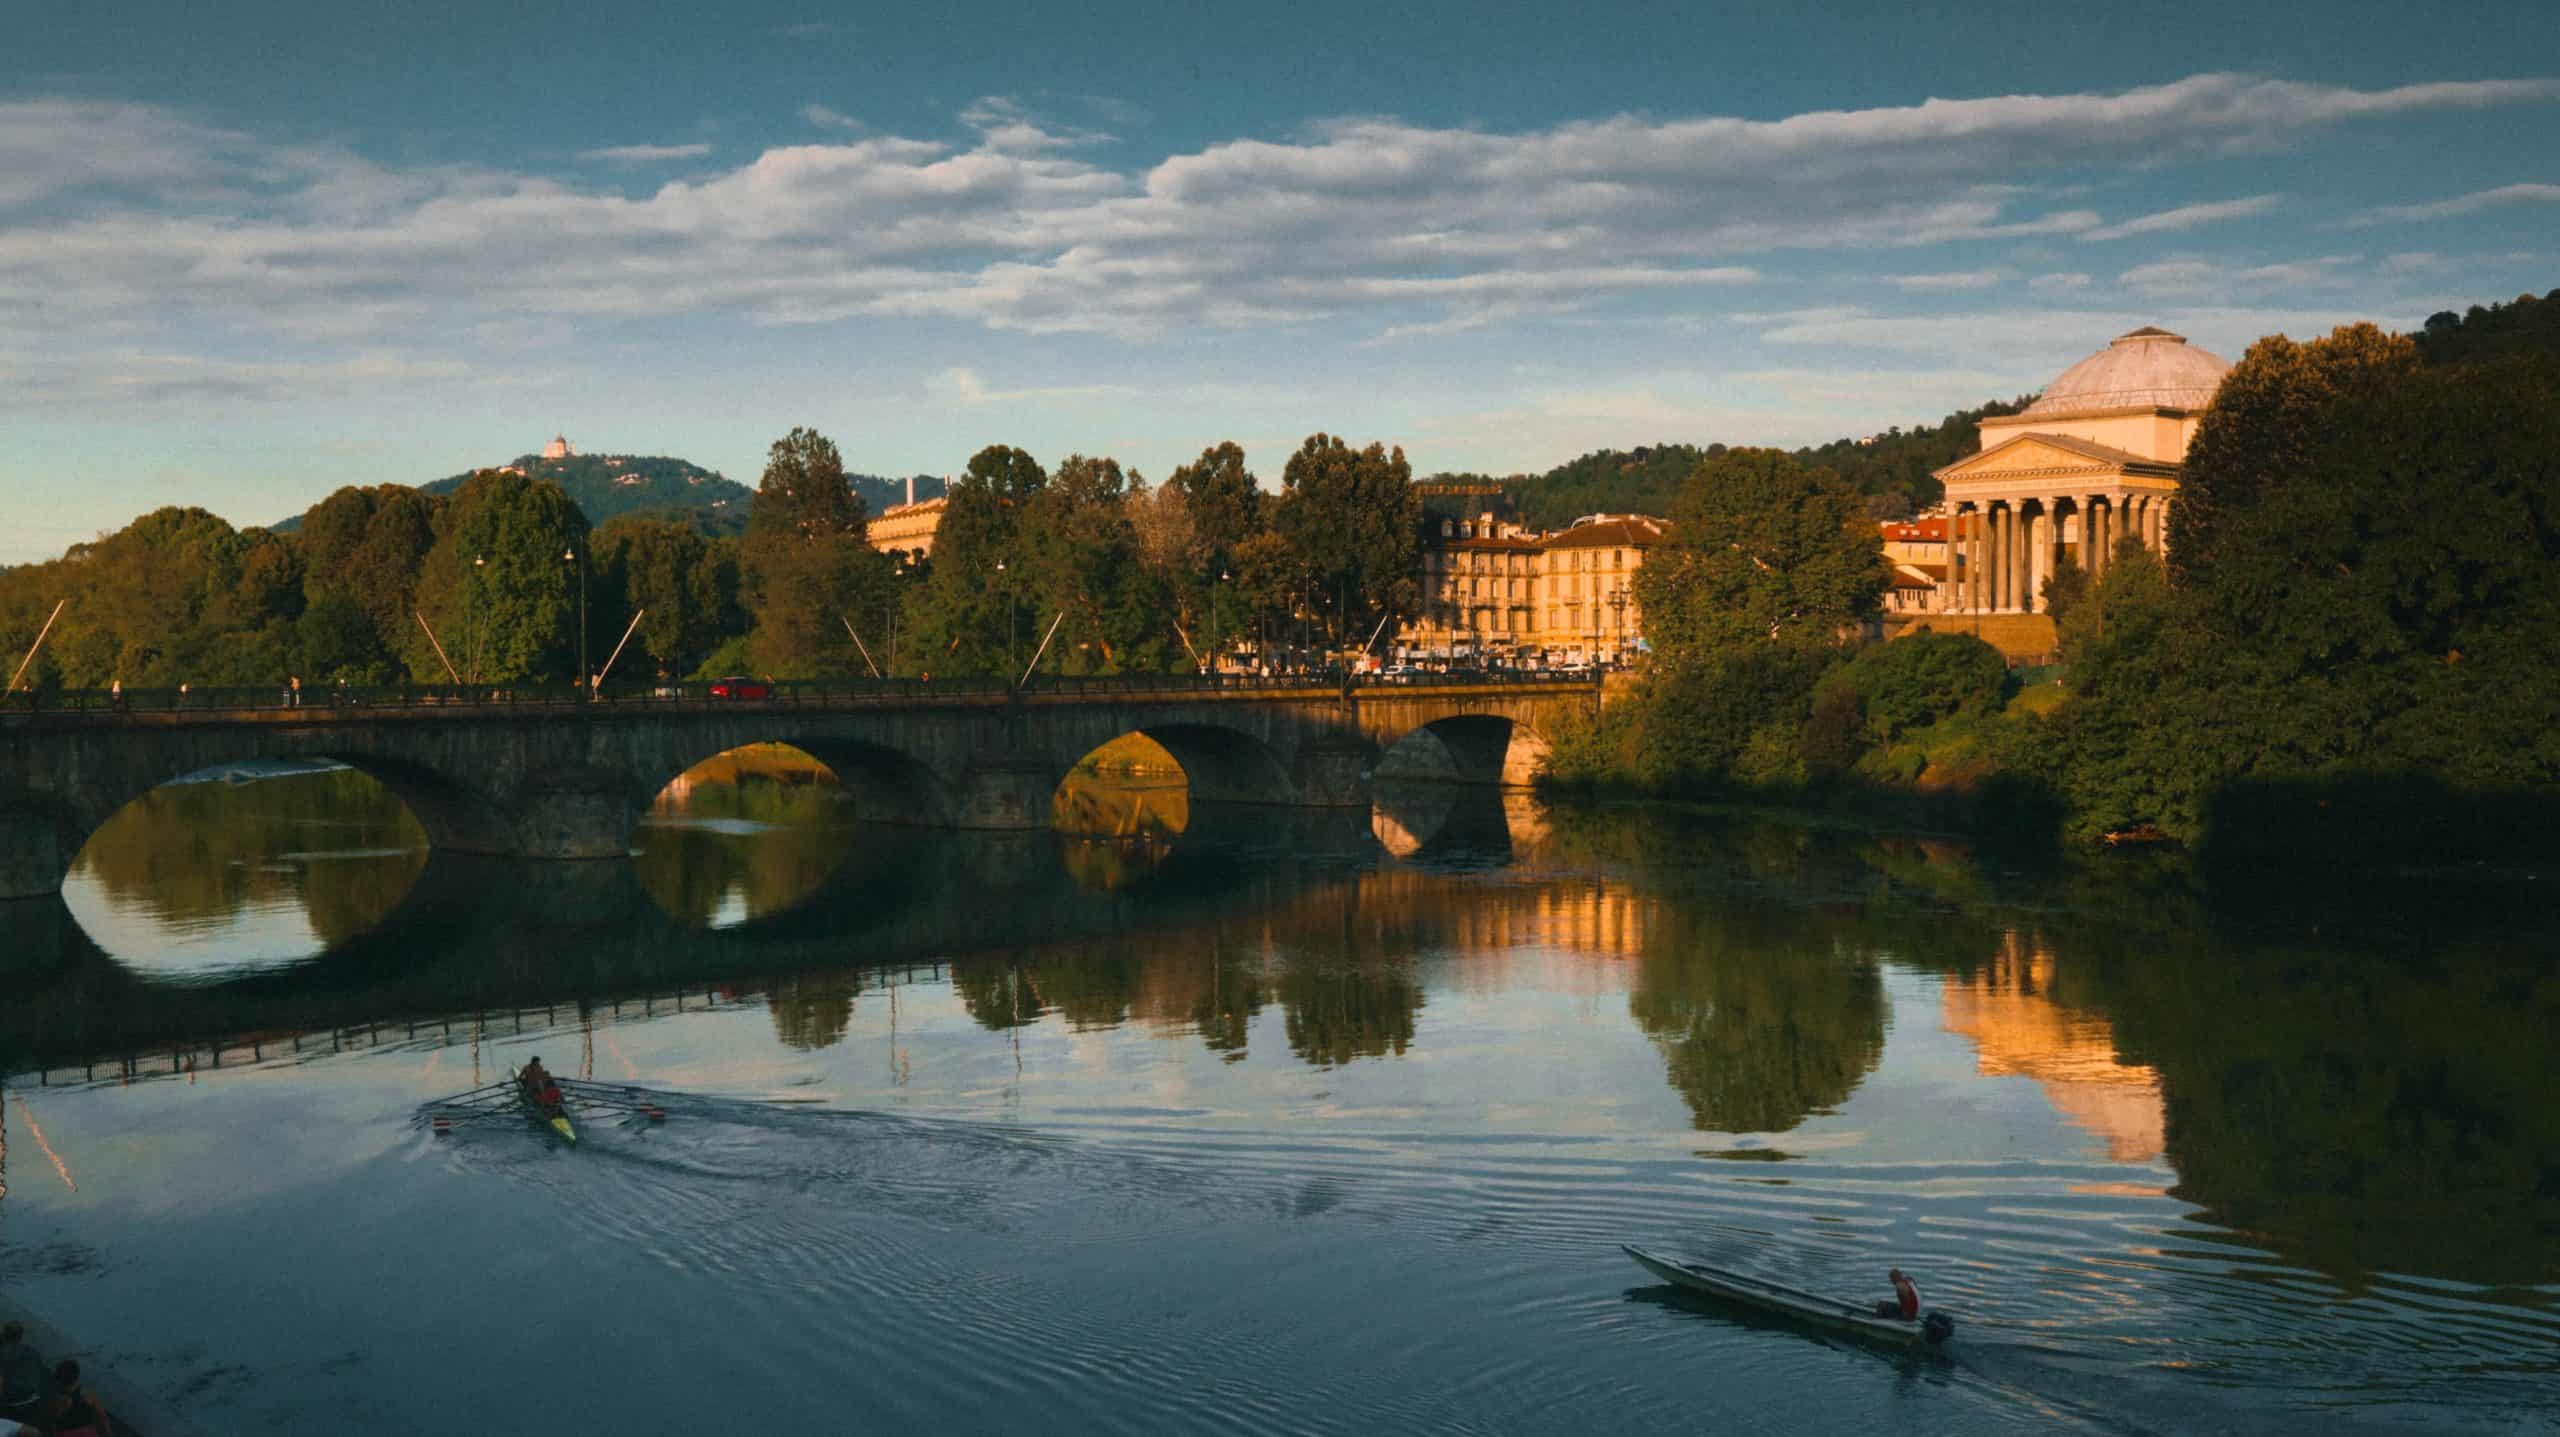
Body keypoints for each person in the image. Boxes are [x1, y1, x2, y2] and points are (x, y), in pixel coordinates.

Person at [44, 1359, 108, 1436]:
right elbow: (102, 1420)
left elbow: (49, 1426)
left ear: (59, 1379)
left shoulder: (57, 1402)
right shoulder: (89, 1396)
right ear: (76, 1377)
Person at [0, 1323, 44, 1424]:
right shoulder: (34, 1352)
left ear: (4, 1334)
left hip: (11, 1405)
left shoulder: (2, 1353)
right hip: (32, 1401)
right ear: (20, 1336)